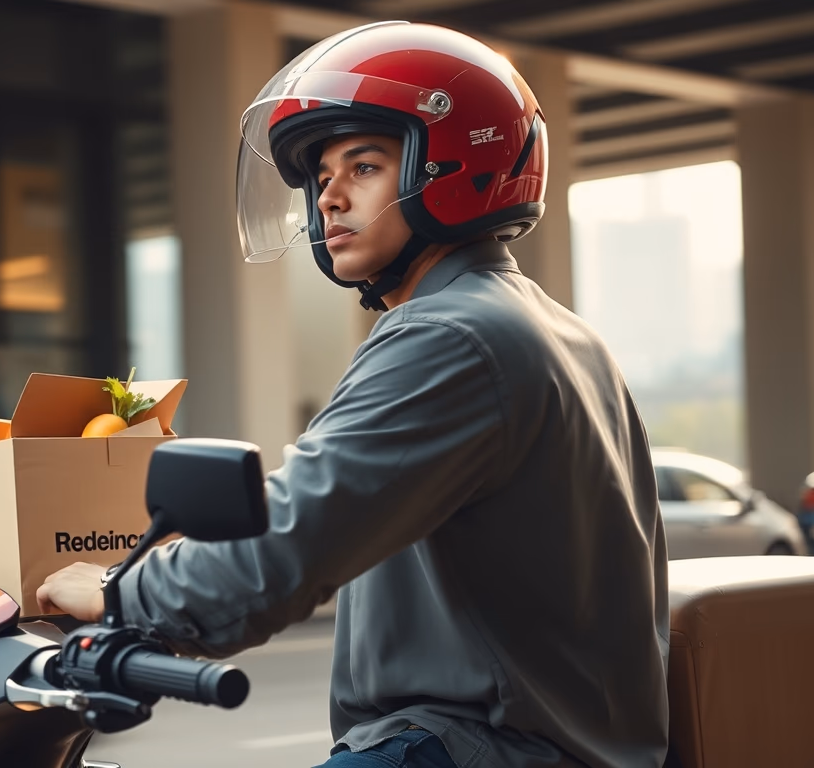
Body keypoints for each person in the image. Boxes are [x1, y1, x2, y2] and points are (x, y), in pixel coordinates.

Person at [38, 20, 670, 768]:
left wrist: (118, 591)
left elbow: (285, 546)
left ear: (455, 166)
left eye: (363, 166)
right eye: (321, 176)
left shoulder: (450, 337)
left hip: (470, 747)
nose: (328, 197)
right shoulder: (549, 330)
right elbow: (334, 511)